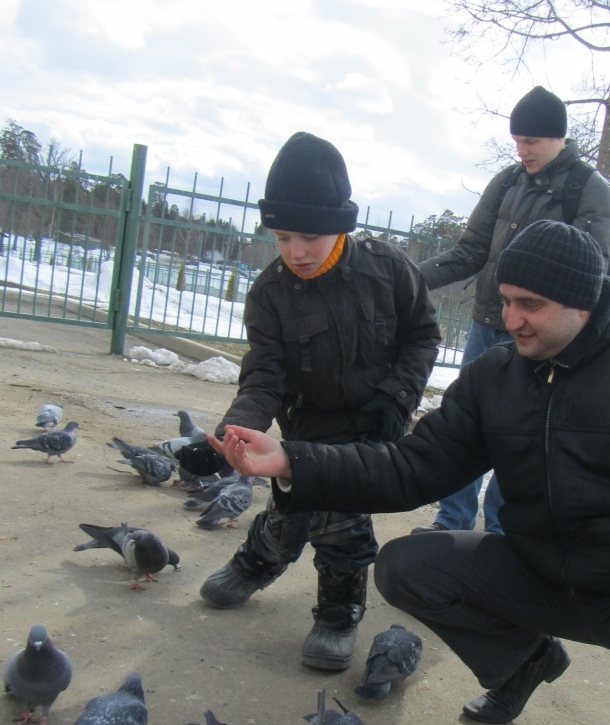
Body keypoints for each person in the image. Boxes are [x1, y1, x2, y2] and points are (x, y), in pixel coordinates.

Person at [208, 220, 610, 725]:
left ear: (582, 302)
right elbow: (412, 468)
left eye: (530, 305)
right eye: (505, 302)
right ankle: (524, 663)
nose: (510, 320)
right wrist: (293, 460)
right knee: (406, 567)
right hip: (536, 571)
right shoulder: (496, 376)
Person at [178, 131, 441, 673]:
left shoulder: (389, 269)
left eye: (309, 236)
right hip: (307, 428)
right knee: (291, 508)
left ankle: (339, 614)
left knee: (343, 524)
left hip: (374, 425)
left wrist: (397, 397)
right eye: (282, 237)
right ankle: (258, 561)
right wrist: (234, 431)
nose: (296, 251)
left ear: (340, 227)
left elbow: (422, 336)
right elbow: (263, 376)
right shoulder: (270, 294)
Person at [413, 85, 610, 535]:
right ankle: (451, 524)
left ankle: (502, 537)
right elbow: (470, 251)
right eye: (517, 141)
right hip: (486, 324)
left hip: (540, 338)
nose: (522, 150)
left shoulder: (590, 190)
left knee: (519, 436)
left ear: (558, 137)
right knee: (465, 425)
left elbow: (591, 274)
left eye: (531, 141)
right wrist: (407, 279)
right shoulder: (507, 181)